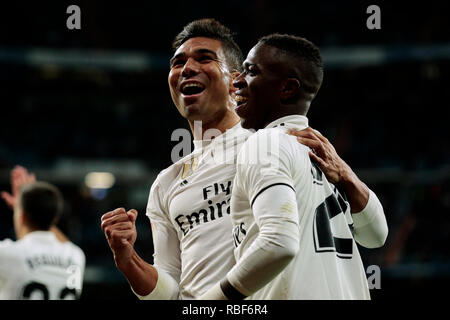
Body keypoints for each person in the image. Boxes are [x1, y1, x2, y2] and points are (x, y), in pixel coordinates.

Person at [101, 20, 386, 300]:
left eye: (204, 58)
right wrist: (129, 261)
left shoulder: (277, 141)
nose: (187, 68)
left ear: (236, 79)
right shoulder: (166, 183)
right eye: (177, 63)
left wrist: (348, 176)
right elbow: (171, 291)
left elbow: (367, 236)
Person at [200, 34, 388, 300]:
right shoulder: (322, 155)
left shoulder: (266, 144)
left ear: (287, 89)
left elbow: (279, 243)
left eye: (251, 71)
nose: (237, 81)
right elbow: (376, 235)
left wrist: (210, 303)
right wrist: (346, 175)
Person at [0, 166, 85, 300]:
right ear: (55, 218)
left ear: (22, 217)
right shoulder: (76, 256)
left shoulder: (5, 253)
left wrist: (22, 205)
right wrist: (28, 205)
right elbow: (64, 241)